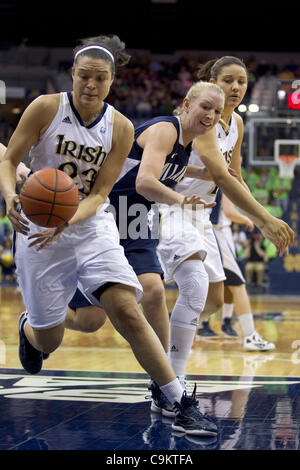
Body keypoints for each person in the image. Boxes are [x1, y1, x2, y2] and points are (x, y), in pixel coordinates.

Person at [0, 35, 222, 437]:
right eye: (84, 76)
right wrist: (10, 193)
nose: (91, 84)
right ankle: (29, 329)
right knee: (49, 340)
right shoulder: (45, 107)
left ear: (112, 81)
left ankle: (176, 398)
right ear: (72, 75)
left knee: (126, 307)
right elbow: (9, 158)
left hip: (90, 224)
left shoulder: (119, 126)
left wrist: (68, 220)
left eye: (100, 79)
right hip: (36, 229)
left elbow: (102, 192)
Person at [157, 56, 294, 388]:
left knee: (215, 301)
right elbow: (218, 174)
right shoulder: (204, 118)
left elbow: (235, 176)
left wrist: (257, 213)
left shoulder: (238, 124)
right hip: (170, 205)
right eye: (228, 80)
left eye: (242, 82)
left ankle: (161, 328)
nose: (236, 87)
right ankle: (171, 379)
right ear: (213, 81)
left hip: (201, 214)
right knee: (193, 288)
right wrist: (263, 219)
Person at [198, 193, 275, 351]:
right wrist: (248, 219)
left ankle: (216, 323)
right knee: (237, 282)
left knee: (221, 281)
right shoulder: (220, 175)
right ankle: (249, 334)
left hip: (205, 228)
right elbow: (229, 212)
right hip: (216, 231)